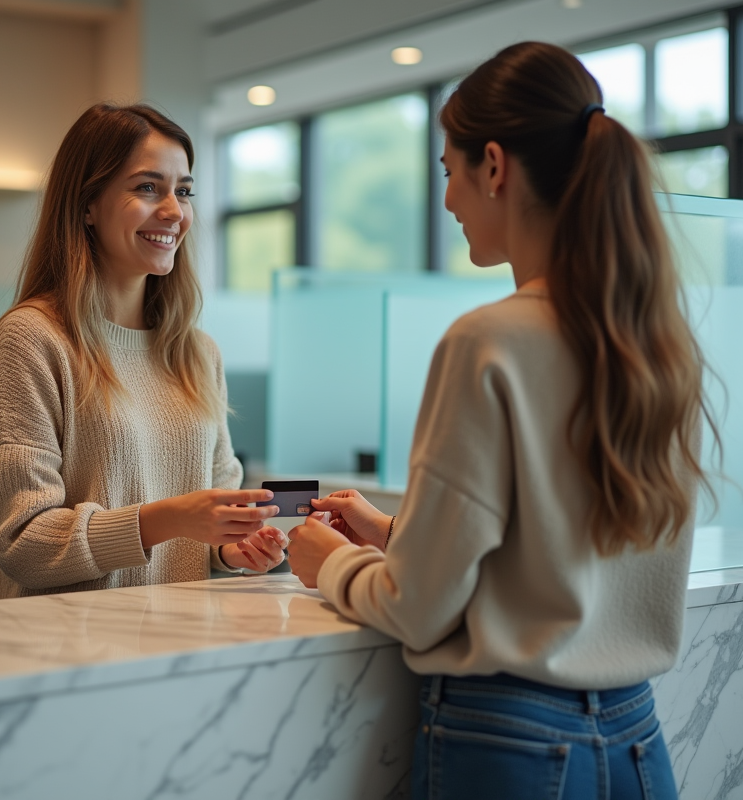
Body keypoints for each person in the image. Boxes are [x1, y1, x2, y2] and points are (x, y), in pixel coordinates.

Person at [287, 42, 717, 800]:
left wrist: (331, 562)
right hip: (637, 744)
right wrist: (396, 536)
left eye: (448, 173)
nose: (449, 201)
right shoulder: (655, 341)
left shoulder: (489, 340)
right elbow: (561, 561)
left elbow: (418, 611)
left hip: (513, 745)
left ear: (494, 165)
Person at [0, 103, 286, 599]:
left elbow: (209, 531)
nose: (173, 211)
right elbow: (21, 542)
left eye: (183, 191)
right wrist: (167, 519)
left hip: (178, 645)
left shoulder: (198, 353)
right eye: (147, 187)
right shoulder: (33, 339)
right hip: (68, 655)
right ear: (86, 204)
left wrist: (233, 549)